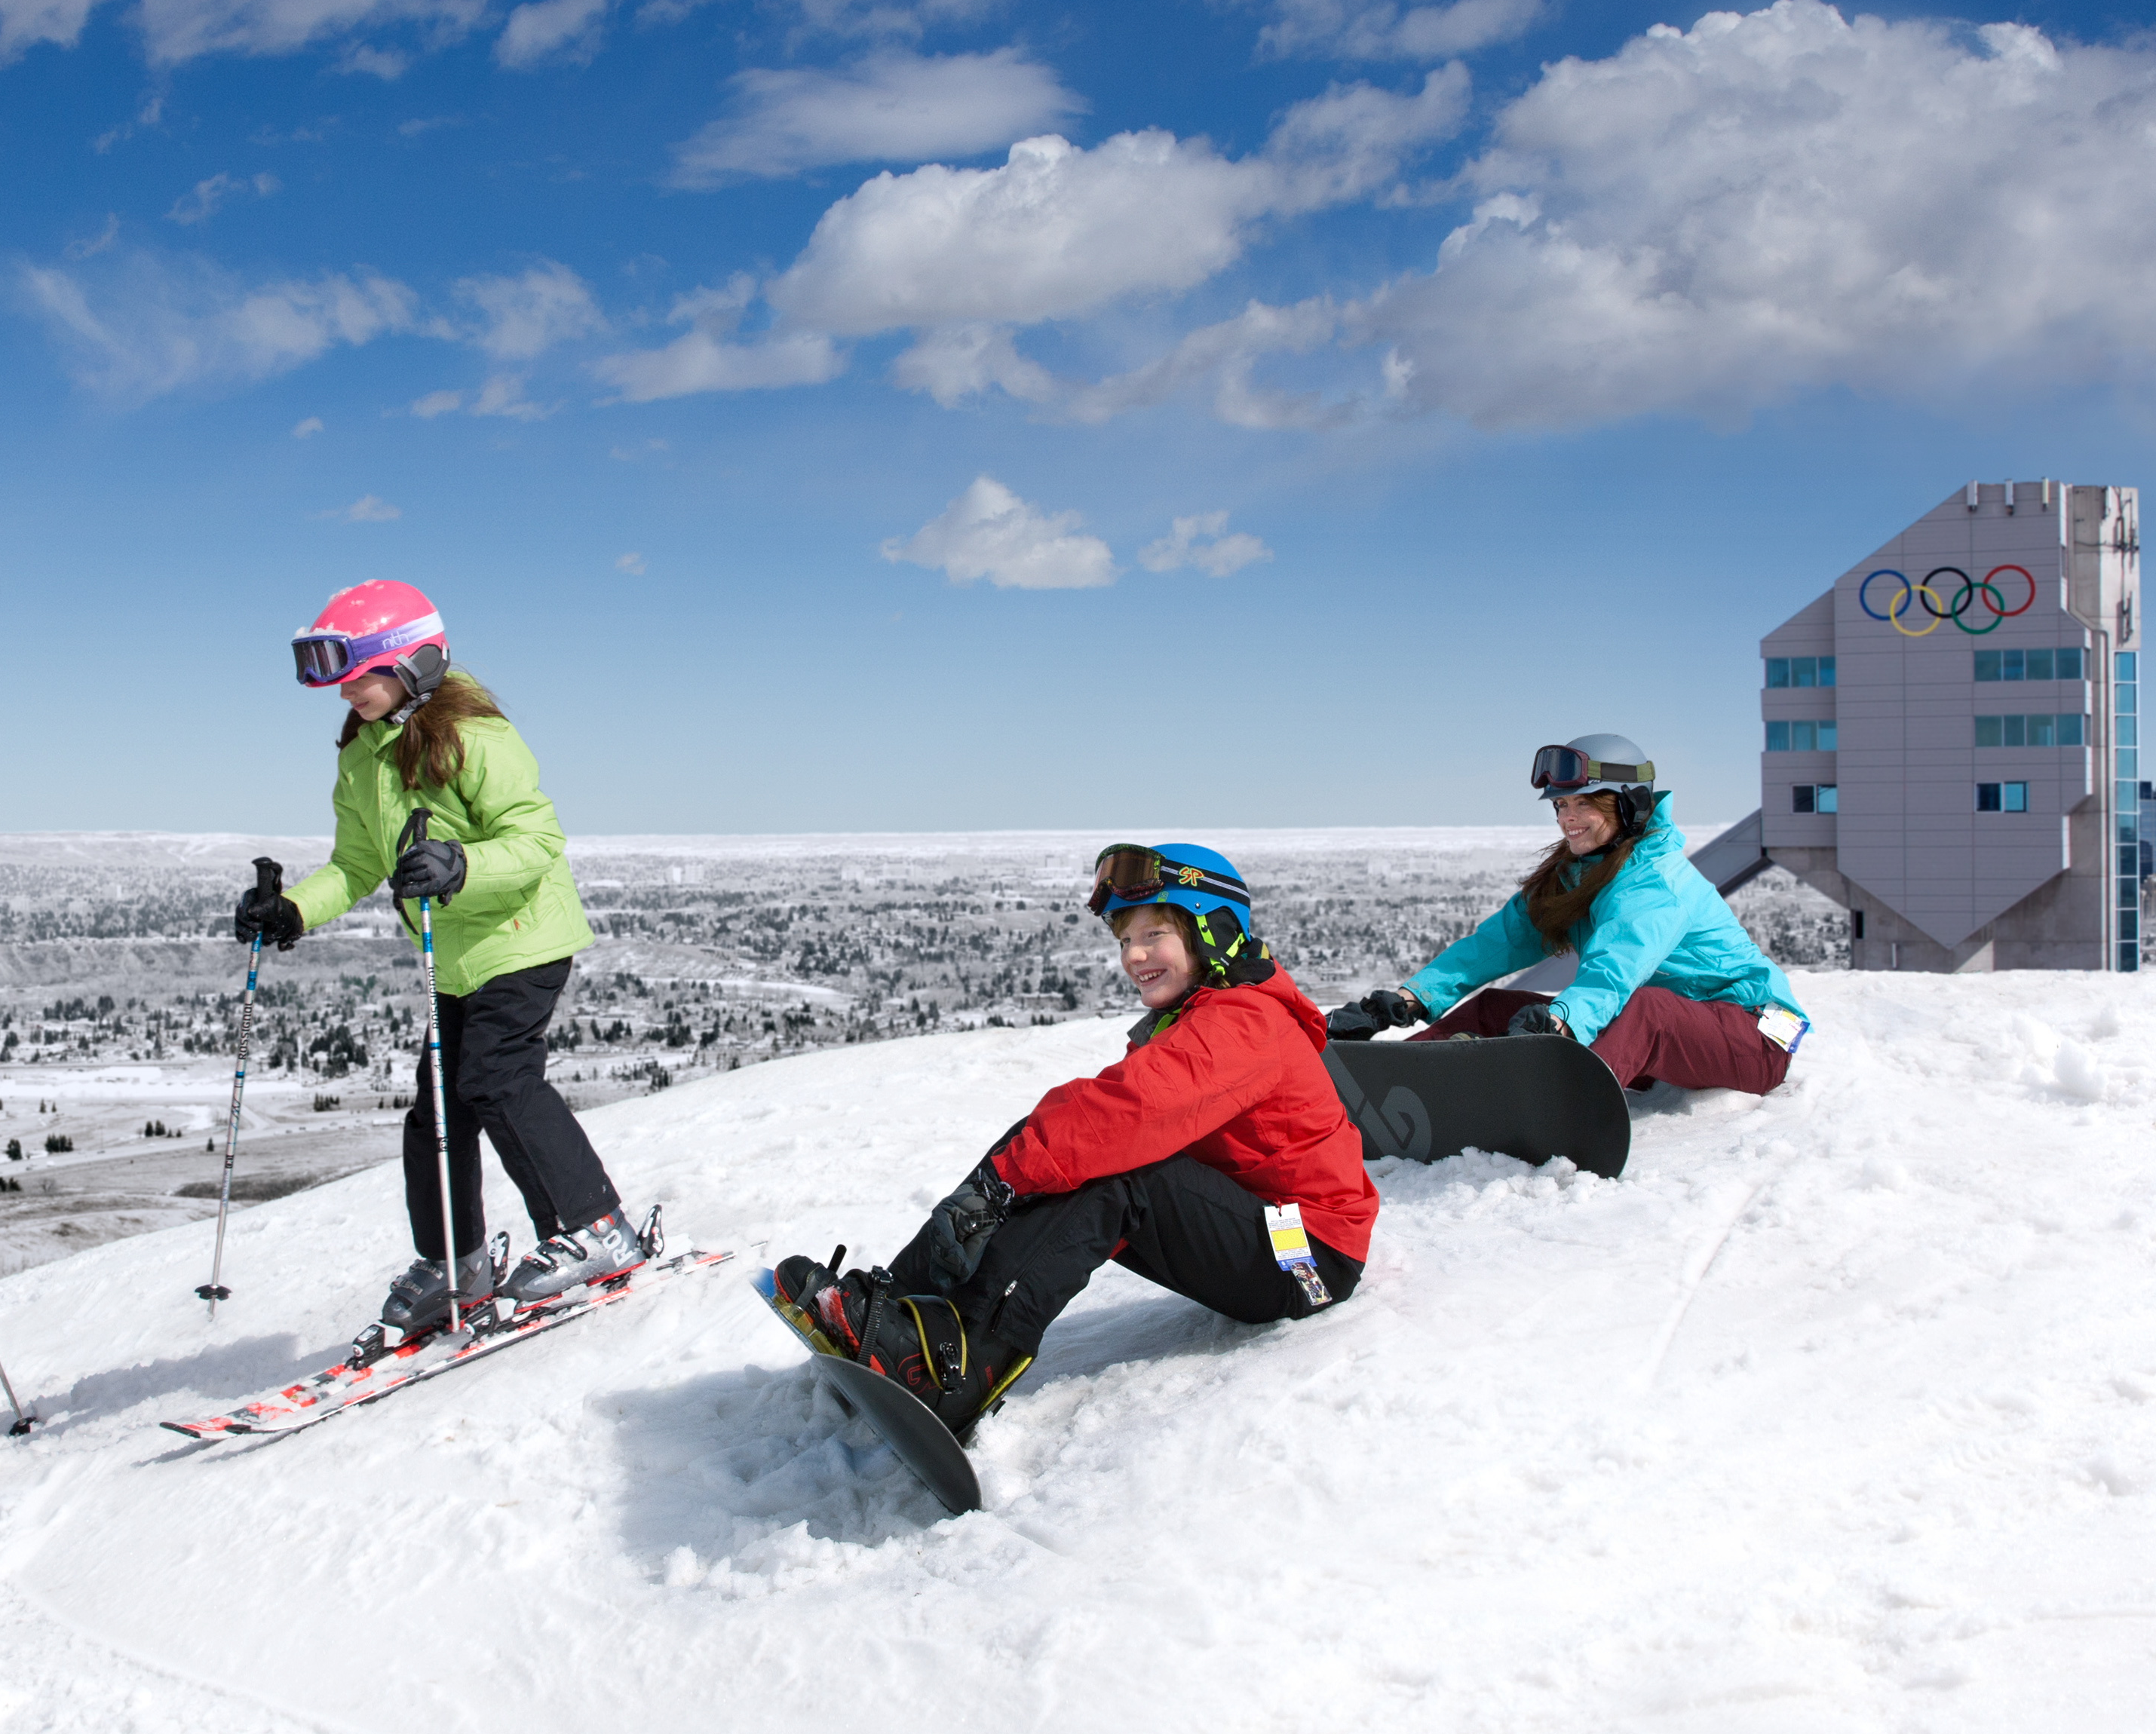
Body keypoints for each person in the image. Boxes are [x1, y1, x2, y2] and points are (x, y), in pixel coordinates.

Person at [773, 843, 1376, 1446]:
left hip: (1307, 1255)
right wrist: (999, 1182)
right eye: (1123, 941)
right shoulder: (1203, 1015)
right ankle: (898, 1314)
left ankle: (960, 1370)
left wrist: (998, 1183)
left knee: (1117, 1171)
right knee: (1058, 1158)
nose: (1133, 955)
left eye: (1154, 934)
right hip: (1263, 1227)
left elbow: (1126, 1114)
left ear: (1212, 931)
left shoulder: (1244, 1021)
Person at [232, 579, 641, 1354]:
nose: (348, 691)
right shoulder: (363, 755)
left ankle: (599, 1228)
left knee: (497, 1079)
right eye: (336, 675)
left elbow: (537, 842)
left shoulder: (476, 735)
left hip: (521, 937)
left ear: (413, 662)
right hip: (451, 958)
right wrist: (292, 912)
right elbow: (356, 864)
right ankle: (458, 1263)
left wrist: (459, 865)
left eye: (360, 672)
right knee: (437, 1112)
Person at [1328, 734, 1805, 1097]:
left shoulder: (1657, 882)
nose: (1565, 817)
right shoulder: (1576, 875)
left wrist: (1561, 1022)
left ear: (1629, 805)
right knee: (1493, 1008)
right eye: (1560, 805)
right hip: (1677, 1030)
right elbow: (1495, 944)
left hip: (1755, 1035)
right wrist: (1409, 998)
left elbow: (1612, 973)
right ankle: (1387, 1089)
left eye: (1583, 803)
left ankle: (1559, 1104)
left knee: (1647, 1009)